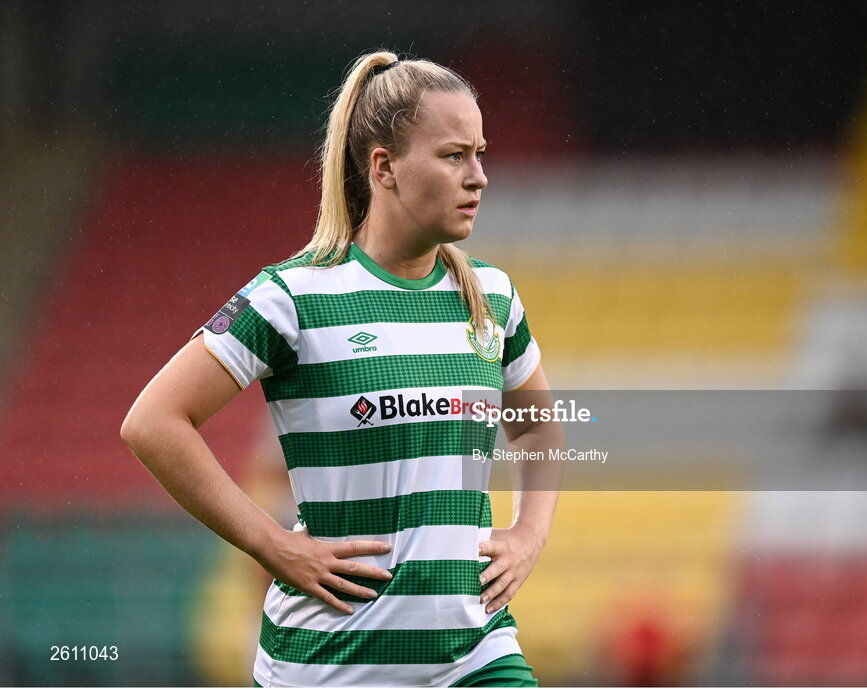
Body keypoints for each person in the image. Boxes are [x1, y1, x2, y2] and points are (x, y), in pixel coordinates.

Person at [121, 50, 564, 687]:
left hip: (476, 656)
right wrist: (273, 545)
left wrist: (528, 535)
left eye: (481, 154)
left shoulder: (492, 297)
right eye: (453, 155)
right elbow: (153, 423)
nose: (479, 177)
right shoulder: (291, 298)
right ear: (384, 167)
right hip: (332, 665)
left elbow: (540, 427)